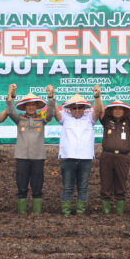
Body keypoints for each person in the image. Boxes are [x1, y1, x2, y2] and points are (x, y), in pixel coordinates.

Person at [50, 85, 103, 216]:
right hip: (68, 158)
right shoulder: (64, 118)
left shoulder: (90, 118)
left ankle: (80, 212)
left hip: (85, 158)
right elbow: (55, 112)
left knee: (83, 187)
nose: (77, 110)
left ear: (85, 109)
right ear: (70, 109)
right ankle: (66, 212)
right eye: (74, 108)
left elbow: (98, 110)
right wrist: (52, 97)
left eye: (80, 107)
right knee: (67, 186)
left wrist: (97, 96)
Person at [6, 85, 55, 215]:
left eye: (33, 105)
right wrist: (11, 94)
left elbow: (50, 114)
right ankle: (22, 213)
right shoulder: (20, 119)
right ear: (25, 107)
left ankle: (36, 213)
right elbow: (10, 111)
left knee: (37, 186)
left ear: (37, 107)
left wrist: (51, 97)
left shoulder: (42, 118)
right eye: (28, 105)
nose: (31, 107)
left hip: (38, 157)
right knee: (21, 185)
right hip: (22, 157)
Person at [98, 91, 130, 215]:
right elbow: (100, 110)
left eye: (121, 109)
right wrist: (98, 96)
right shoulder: (106, 121)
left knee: (121, 184)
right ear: (111, 111)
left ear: (124, 111)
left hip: (123, 158)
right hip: (107, 156)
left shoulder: (129, 122)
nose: (118, 110)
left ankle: (120, 212)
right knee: (105, 184)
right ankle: (106, 212)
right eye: (115, 109)